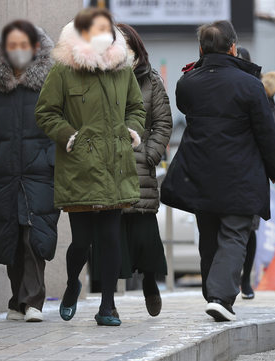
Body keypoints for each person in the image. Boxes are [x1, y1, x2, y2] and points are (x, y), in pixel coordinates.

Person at [161, 20, 275, 322]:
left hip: (200, 172)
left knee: (209, 234)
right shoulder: (250, 85)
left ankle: (212, 292)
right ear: (233, 47)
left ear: (201, 49)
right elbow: (266, 133)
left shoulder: (187, 83)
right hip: (240, 175)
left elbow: (186, 108)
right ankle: (219, 297)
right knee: (234, 234)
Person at [35, 7, 146, 326]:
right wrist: (68, 135)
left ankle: (107, 306)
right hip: (79, 165)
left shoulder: (123, 69)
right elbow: (45, 112)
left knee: (111, 236)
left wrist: (132, 130)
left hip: (115, 164)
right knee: (82, 240)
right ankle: (72, 284)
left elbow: (136, 107)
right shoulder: (64, 69)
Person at [0, 20, 58, 323]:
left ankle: (33, 300)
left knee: (33, 236)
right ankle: (17, 299)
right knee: (9, 236)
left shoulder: (51, 82)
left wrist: (51, 158)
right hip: (4, 173)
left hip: (40, 172)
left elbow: (60, 122)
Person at [91, 23, 172, 318]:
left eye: (126, 46)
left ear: (137, 48)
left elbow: (163, 123)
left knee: (143, 234)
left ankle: (150, 280)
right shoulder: (101, 75)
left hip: (139, 168)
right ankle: (108, 303)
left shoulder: (151, 79)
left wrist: (148, 155)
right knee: (111, 235)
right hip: (107, 171)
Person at [234, 46, 275, 300]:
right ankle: (230, 280)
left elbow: (270, 132)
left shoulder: (260, 93)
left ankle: (245, 279)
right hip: (228, 167)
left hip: (252, 167)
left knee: (249, 226)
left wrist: (274, 168)